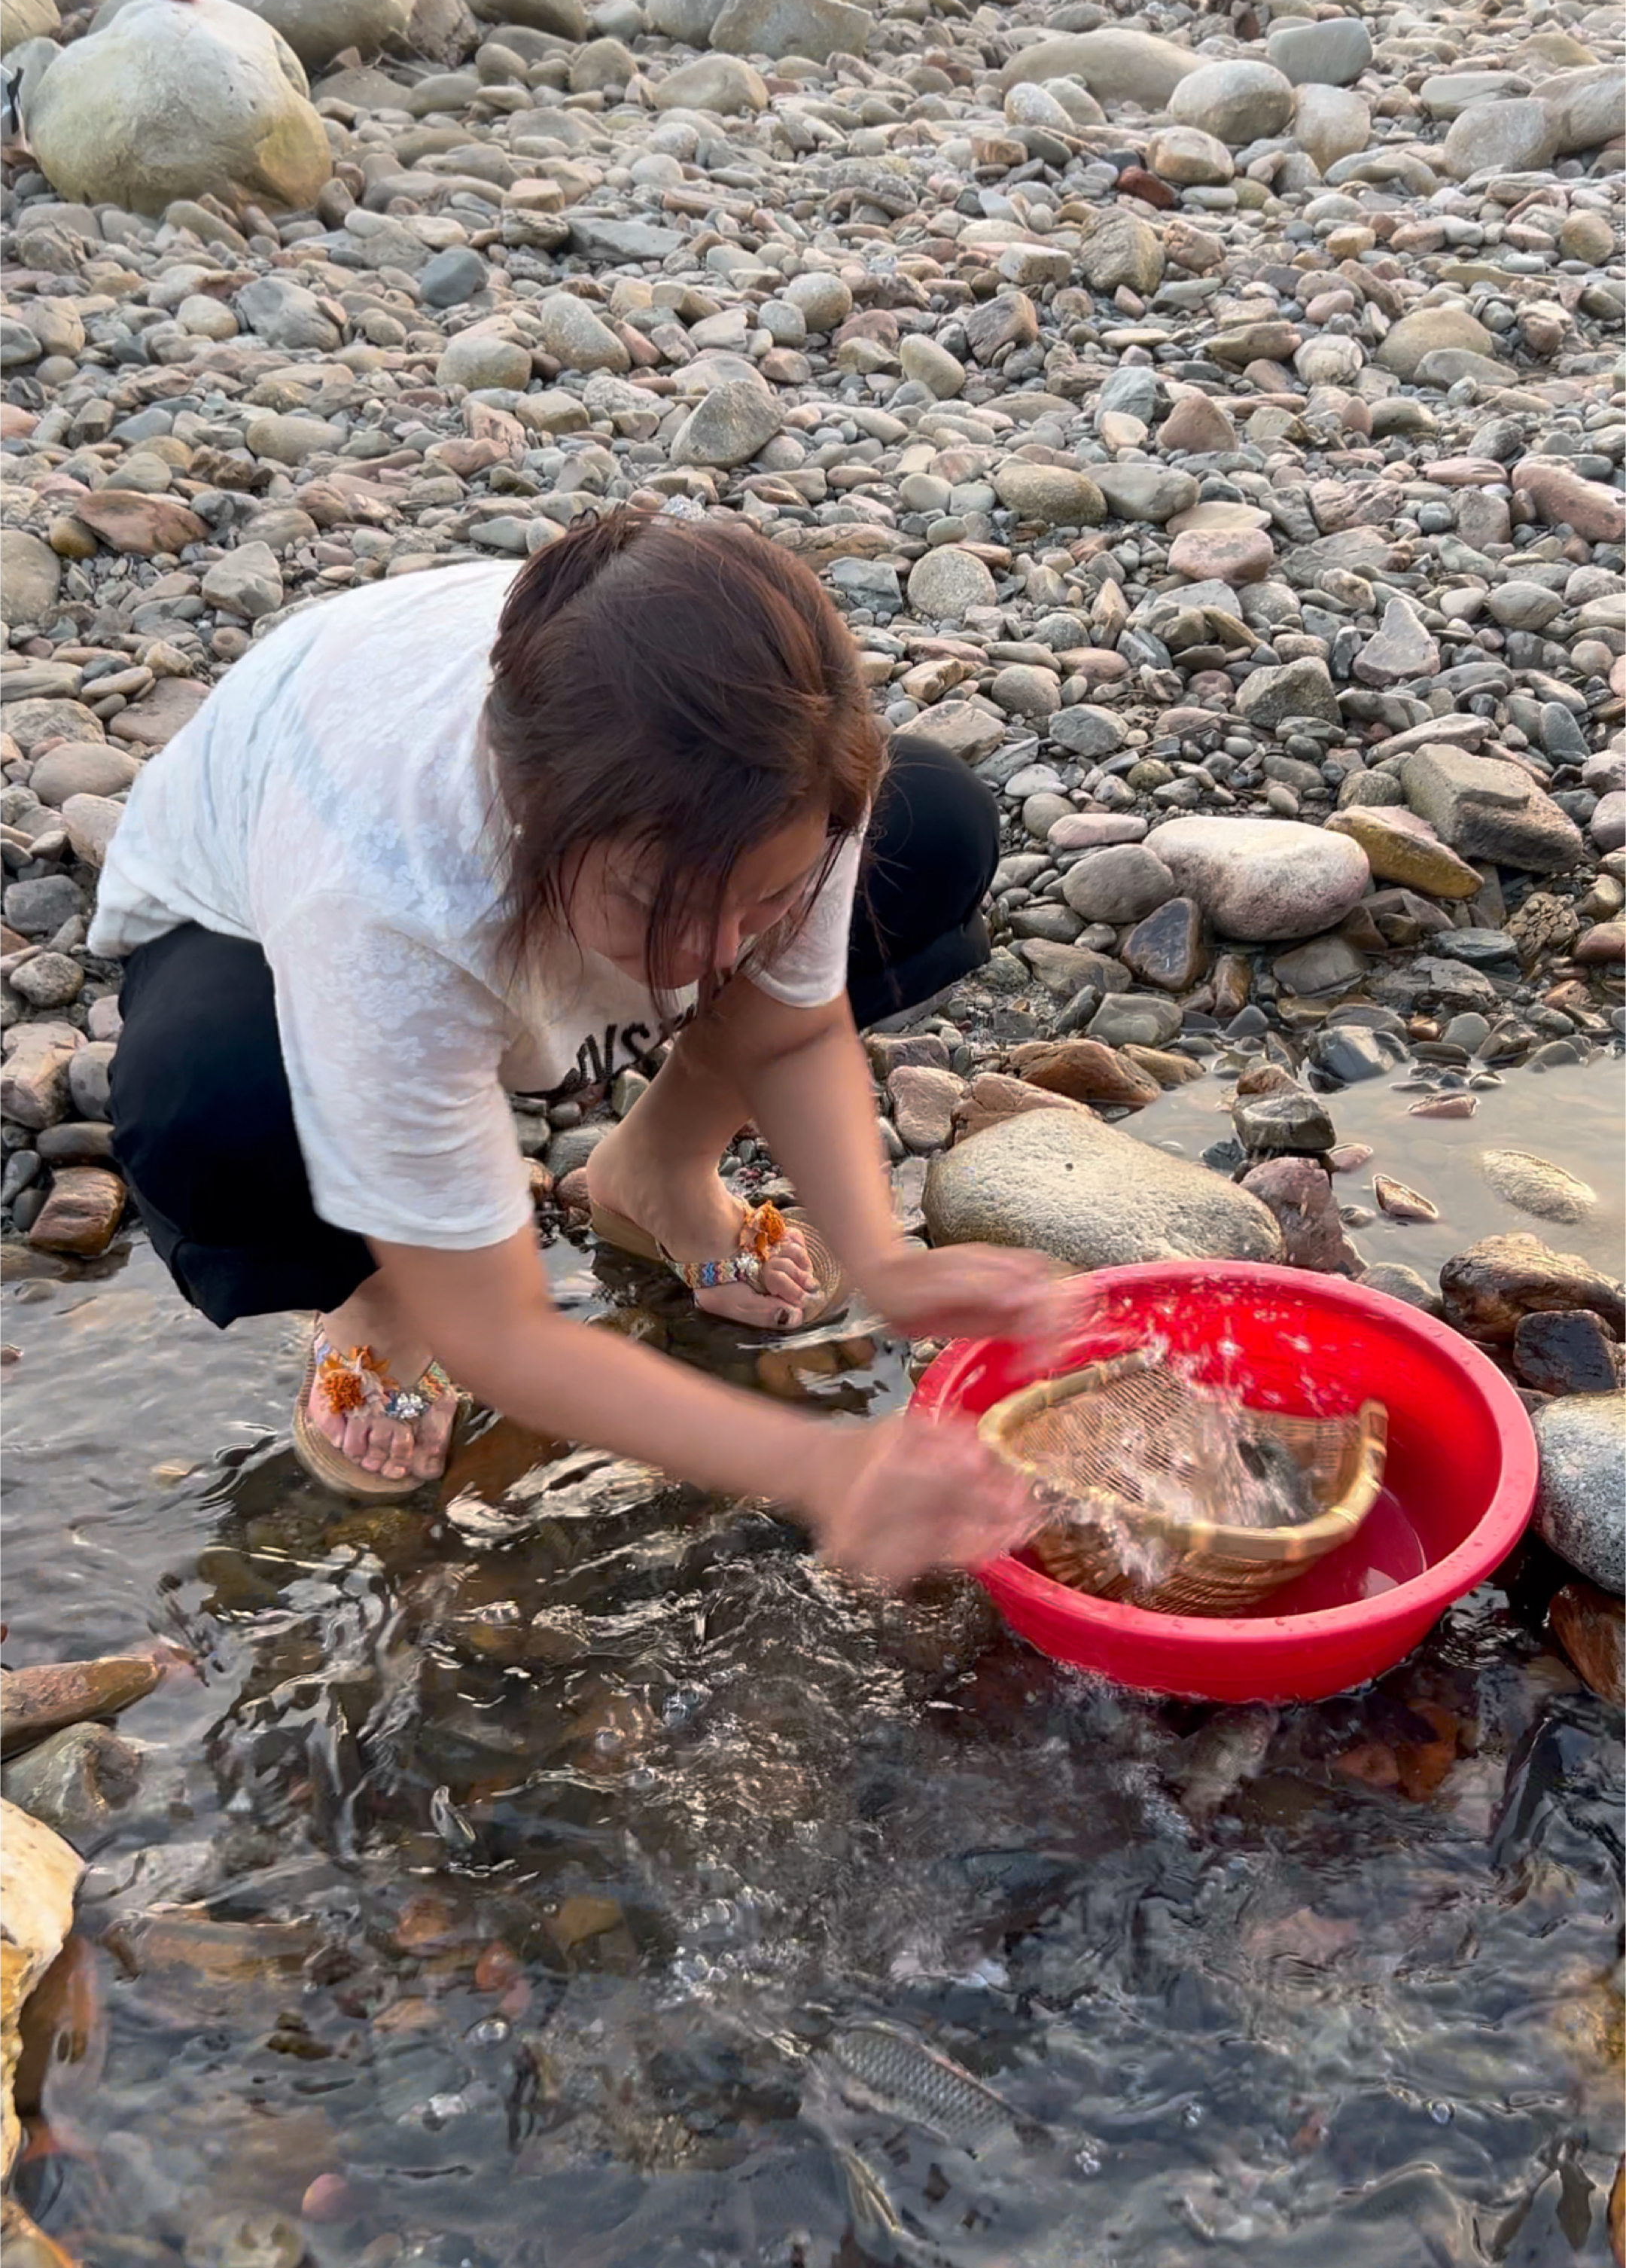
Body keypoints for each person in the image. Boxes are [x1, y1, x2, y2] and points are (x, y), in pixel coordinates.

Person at [93, 505, 1062, 1584]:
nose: (710, 959)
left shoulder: (793, 760)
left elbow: (792, 1037)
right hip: (240, 918)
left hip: (585, 848)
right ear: (527, 815)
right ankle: (381, 1283)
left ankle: (658, 1168)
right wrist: (826, 1464)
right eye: (662, 902)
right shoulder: (387, 887)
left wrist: (887, 1261)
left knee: (936, 826)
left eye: (768, 896)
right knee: (218, 1095)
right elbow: (507, 1333)